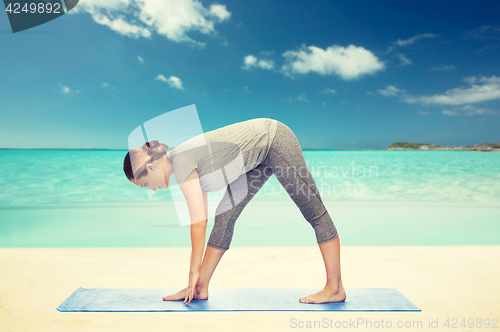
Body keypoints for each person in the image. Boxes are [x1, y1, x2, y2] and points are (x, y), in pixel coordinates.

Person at [123, 118, 346, 304]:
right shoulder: (183, 164)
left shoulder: (181, 163)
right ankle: (201, 288)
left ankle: (335, 288)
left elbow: (198, 223)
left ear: (150, 167)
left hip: (274, 139)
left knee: (313, 211)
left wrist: (192, 272)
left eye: (145, 184)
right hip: (255, 159)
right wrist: (195, 277)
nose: (151, 189)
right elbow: (204, 219)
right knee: (224, 218)